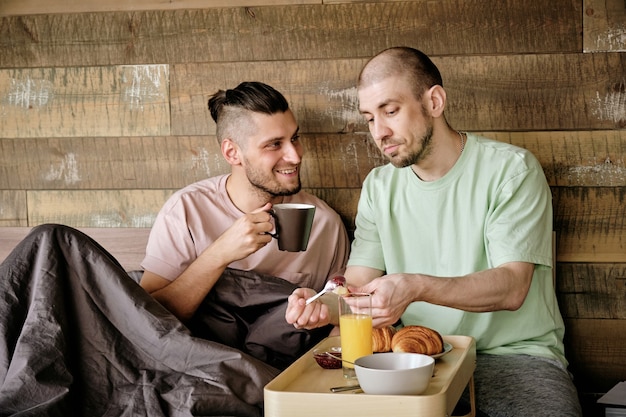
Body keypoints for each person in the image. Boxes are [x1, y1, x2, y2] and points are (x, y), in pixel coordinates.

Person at [285, 47, 582, 416]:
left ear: (435, 101)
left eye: (390, 111)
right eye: (369, 118)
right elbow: (356, 288)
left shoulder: (512, 170)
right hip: (411, 359)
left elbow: (512, 287)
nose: (380, 132)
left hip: (516, 359)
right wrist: (320, 307)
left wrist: (417, 286)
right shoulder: (379, 186)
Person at [140, 80, 349, 322]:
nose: (295, 155)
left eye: (295, 138)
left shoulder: (324, 223)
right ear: (232, 153)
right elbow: (149, 321)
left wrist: (319, 309)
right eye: (274, 144)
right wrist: (219, 254)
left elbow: (343, 310)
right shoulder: (186, 211)